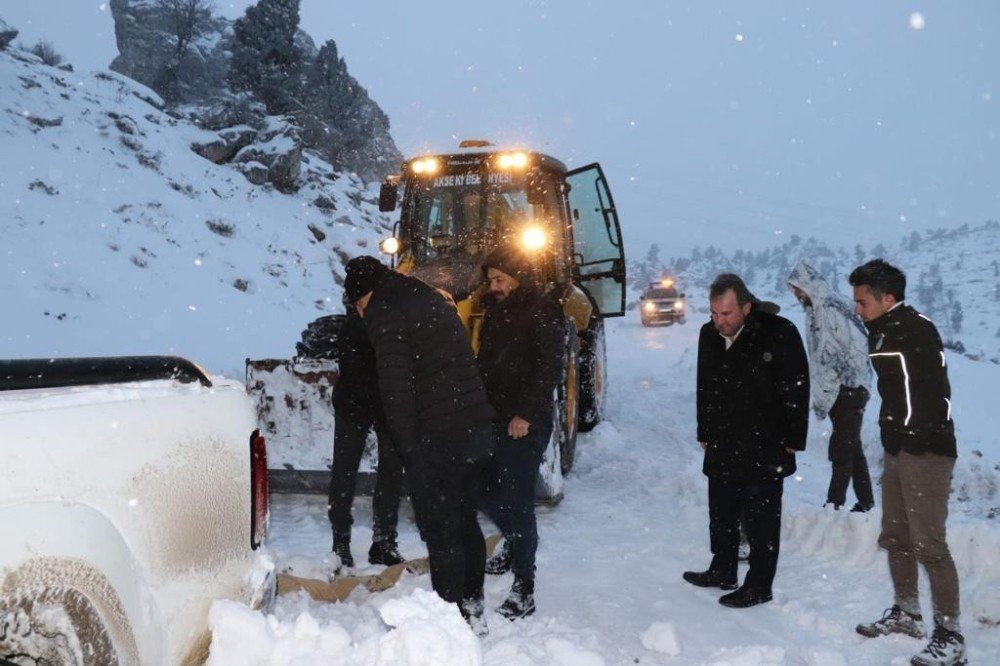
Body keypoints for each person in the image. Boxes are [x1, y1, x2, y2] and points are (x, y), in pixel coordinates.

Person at [343, 255, 496, 633]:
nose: (362, 315)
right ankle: (472, 603)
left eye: (359, 307)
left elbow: (396, 388)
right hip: (474, 427)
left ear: (366, 297)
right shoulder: (426, 296)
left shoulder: (384, 310)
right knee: (464, 520)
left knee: (441, 530)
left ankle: (447, 622)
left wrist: (409, 449)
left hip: (439, 437)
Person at [849, 260, 965, 666]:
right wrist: (893, 435)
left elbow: (933, 392)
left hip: (927, 451)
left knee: (929, 544)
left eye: (863, 302)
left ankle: (951, 636)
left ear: (888, 298)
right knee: (896, 536)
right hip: (899, 446)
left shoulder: (916, 329)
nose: (858, 310)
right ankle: (907, 612)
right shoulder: (881, 330)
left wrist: (917, 435)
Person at [683, 273, 809, 608]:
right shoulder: (708, 335)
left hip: (764, 442)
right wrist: (704, 431)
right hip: (723, 439)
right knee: (721, 511)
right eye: (713, 313)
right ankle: (722, 569)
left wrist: (793, 438)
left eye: (726, 314)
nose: (718, 321)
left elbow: (797, 386)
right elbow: (704, 388)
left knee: (761, 519)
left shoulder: (778, 333)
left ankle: (759, 585)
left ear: (746, 307)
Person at [476, 247, 564, 620]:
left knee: (516, 499)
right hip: (494, 418)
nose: (493, 286)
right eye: (490, 280)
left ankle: (524, 589)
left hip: (525, 422)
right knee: (481, 488)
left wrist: (525, 413)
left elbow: (549, 367)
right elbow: (486, 364)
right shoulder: (496, 311)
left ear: (517, 277)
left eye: (500, 280)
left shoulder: (544, 310)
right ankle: (514, 542)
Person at [787, 260, 875, 513]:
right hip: (837, 391)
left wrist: (845, 378)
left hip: (850, 388)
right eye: (793, 290)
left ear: (808, 285)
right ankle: (866, 502)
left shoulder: (834, 307)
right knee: (851, 446)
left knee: (841, 448)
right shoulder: (814, 311)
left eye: (798, 289)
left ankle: (834, 504)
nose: (796, 295)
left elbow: (857, 345)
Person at [327, 303, 405, 569]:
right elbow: (359, 372)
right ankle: (340, 540)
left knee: (391, 473)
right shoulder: (352, 329)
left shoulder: (392, 322)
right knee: (344, 472)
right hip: (353, 406)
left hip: (388, 407)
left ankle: (384, 540)